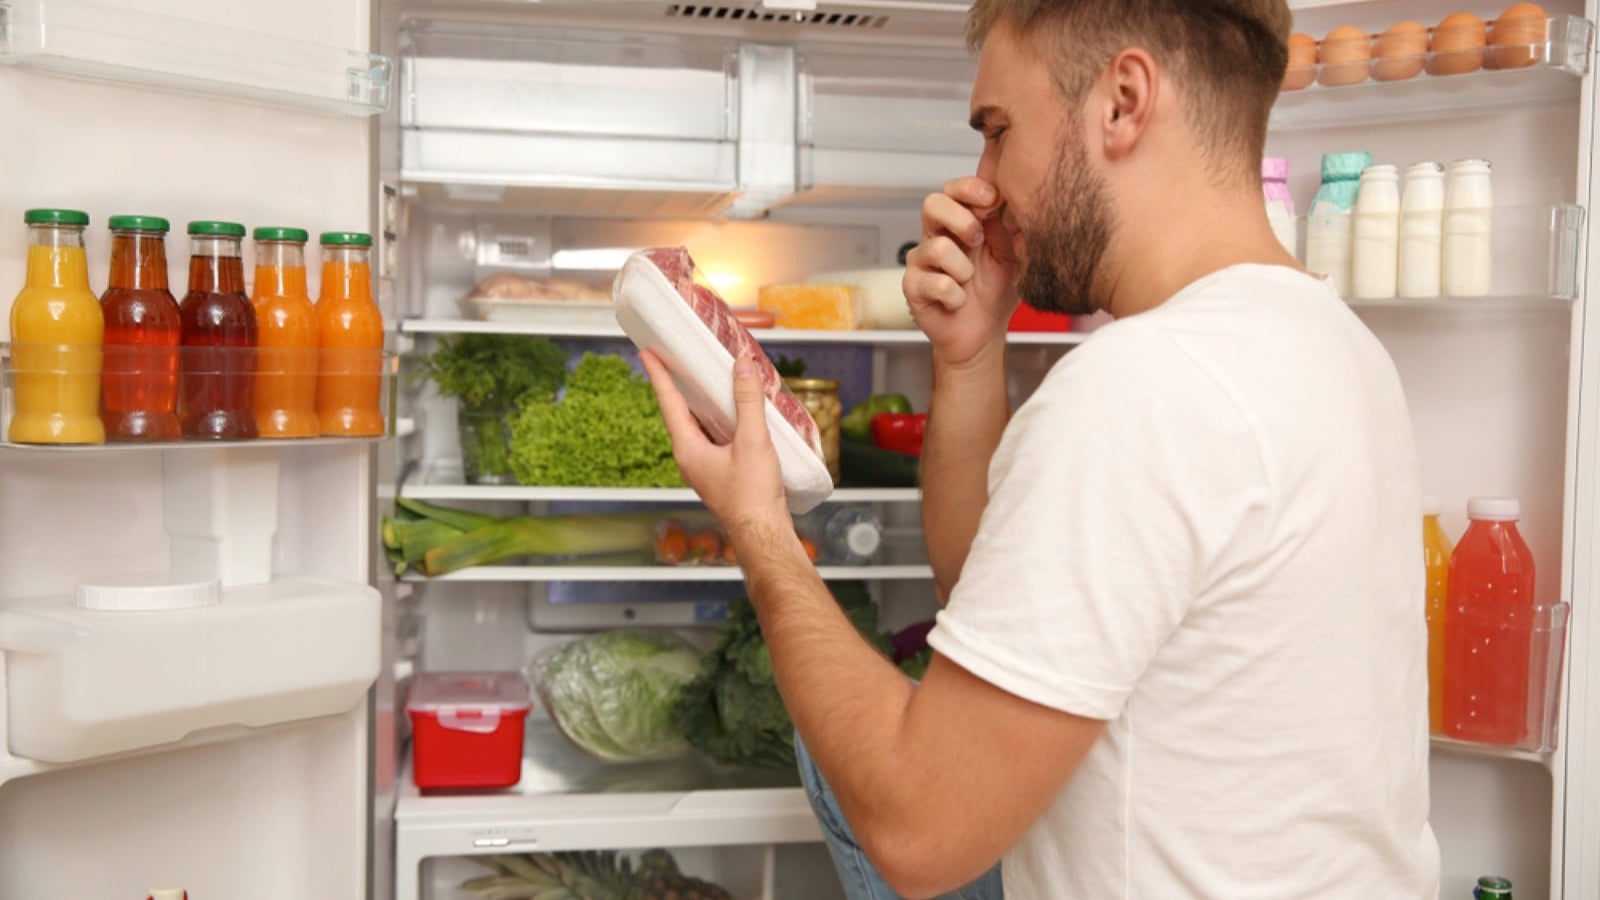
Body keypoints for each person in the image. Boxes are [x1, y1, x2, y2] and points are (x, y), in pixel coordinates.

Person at [640, 0, 1441, 896]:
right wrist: (973, 355)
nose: (984, 182)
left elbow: (918, 829)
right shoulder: (1334, 342)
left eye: (998, 130)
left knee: (846, 760)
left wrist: (758, 532)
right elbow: (990, 597)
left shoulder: (1142, 384)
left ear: (1123, 102)